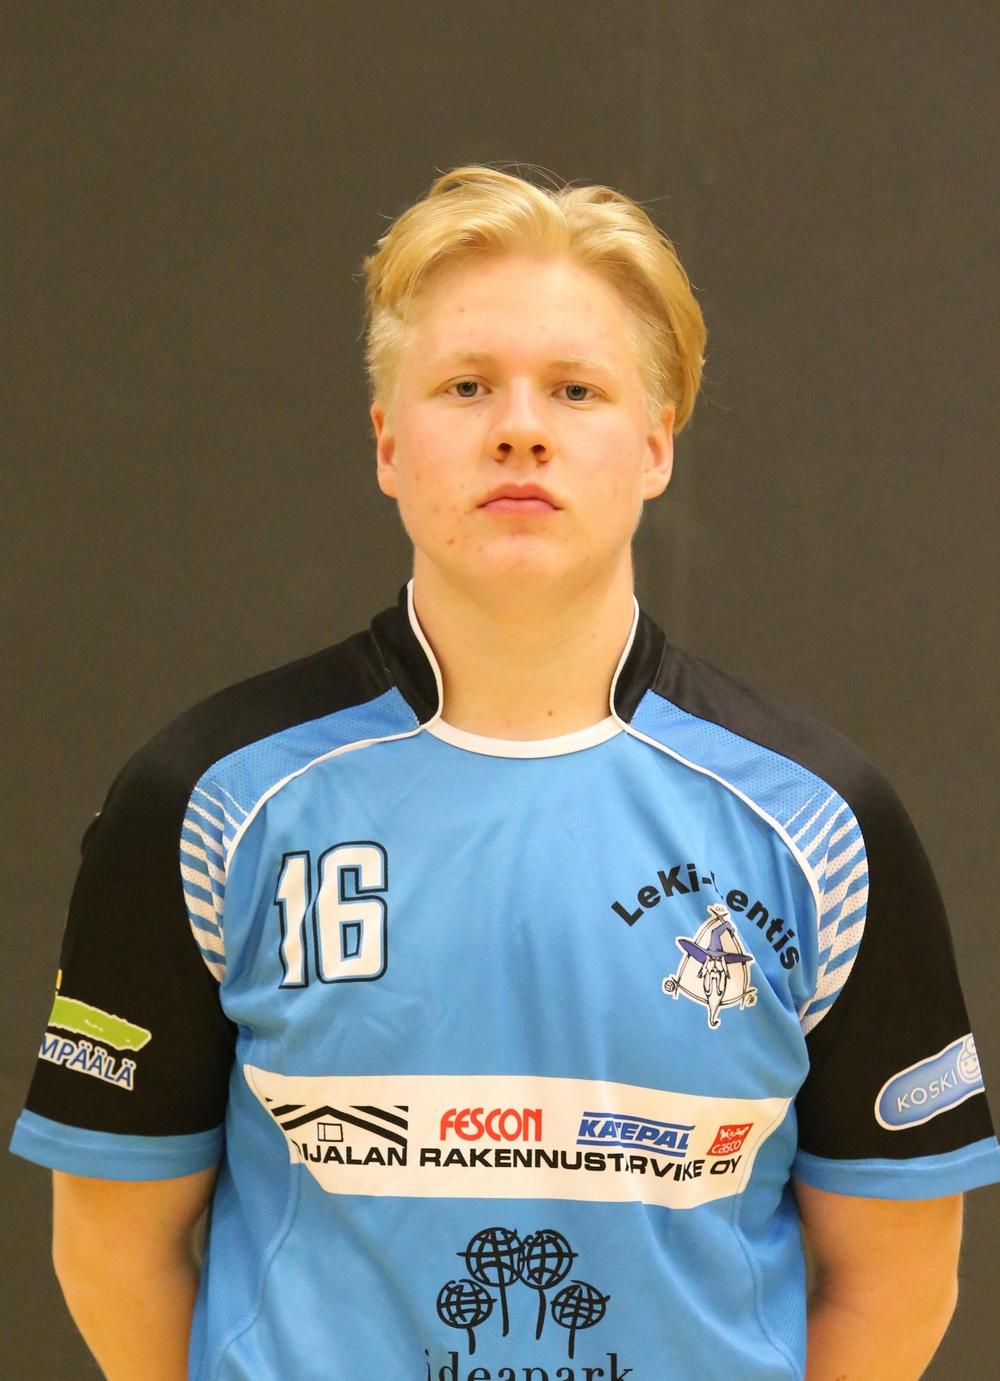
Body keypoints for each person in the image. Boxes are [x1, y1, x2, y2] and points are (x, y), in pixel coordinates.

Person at [10, 163, 1000, 1381]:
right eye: (466, 384)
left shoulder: (820, 824)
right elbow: (113, 1247)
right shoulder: (207, 799)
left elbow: (895, 1278)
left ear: (654, 443)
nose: (519, 427)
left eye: (575, 389)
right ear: (388, 441)